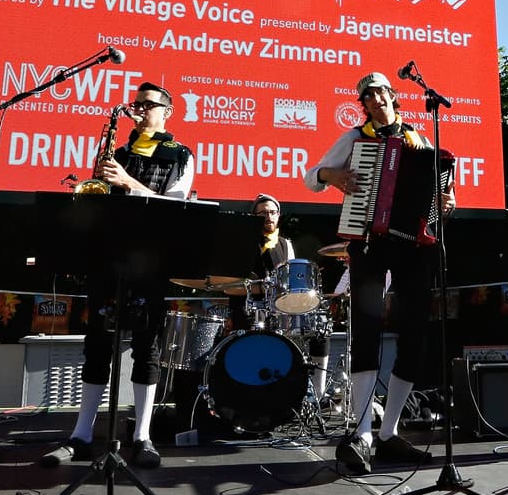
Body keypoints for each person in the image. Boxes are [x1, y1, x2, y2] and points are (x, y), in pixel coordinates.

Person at [304, 71, 454, 475]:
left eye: (380, 93)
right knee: (367, 330)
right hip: (369, 241)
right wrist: (330, 175)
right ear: (362, 103)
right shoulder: (354, 138)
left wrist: (445, 200)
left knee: (416, 334)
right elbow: (311, 177)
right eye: (366, 96)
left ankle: (388, 431)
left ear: (393, 96)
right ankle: (363, 433)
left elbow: (436, 190)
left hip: (413, 244)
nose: (374, 100)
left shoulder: (419, 139)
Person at [41, 82, 195, 470]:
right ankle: (81, 435)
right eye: (137, 105)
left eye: (149, 105)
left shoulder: (181, 155)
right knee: (96, 346)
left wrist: (129, 183)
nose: (141, 111)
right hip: (108, 260)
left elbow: (176, 208)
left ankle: (142, 436)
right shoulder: (119, 153)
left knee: (147, 348)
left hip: (152, 262)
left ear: (167, 112)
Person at [228, 194, 333, 400]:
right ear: (254, 217)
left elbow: (291, 285)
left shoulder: (286, 244)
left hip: (279, 312)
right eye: (263, 213)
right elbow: (229, 287)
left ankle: (316, 394)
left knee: (320, 330)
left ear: (279, 215)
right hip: (250, 313)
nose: (269, 216)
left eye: (272, 212)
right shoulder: (243, 243)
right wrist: (265, 287)